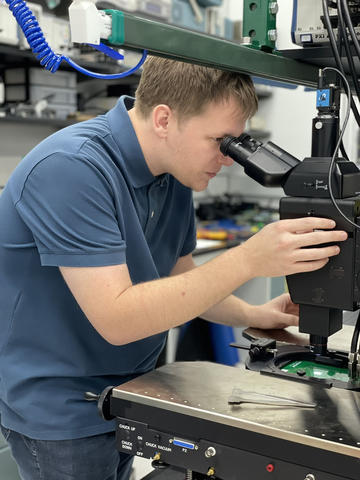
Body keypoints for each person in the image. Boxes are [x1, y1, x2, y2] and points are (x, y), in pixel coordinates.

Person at [0, 56, 347, 480]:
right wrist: (249, 259)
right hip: (62, 406)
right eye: (221, 141)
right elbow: (118, 318)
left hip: (131, 390)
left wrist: (253, 316)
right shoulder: (70, 168)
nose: (229, 159)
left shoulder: (173, 171)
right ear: (164, 119)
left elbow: (182, 282)